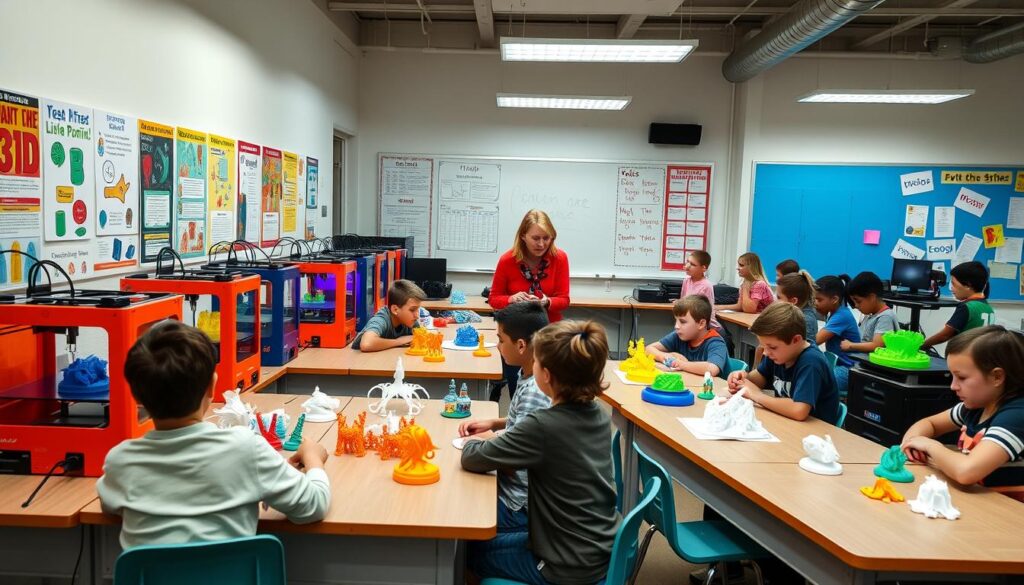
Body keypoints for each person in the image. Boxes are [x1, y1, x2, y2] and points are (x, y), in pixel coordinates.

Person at [97, 321, 330, 549]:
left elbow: (109, 505)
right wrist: (313, 459)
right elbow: (314, 506)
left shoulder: (121, 461)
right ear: (212, 386)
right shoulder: (245, 448)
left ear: (136, 397)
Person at [462, 320, 619, 585]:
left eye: (536, 361)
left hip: (563, 563)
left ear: (546, 375)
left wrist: (471, 443)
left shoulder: (543, 426)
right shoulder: (598, 415)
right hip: (597, 548)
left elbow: (473, 458)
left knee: (464, 551)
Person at [901, 325, 1024, 502]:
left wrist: (930, 446)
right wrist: (912, 443)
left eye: (962, 378)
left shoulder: (1016, 415)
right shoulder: (975, 407)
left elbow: (966, 472)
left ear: (997, 377)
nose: (953, 386)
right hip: (979, 505)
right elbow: (930, 424)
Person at [457, 302, 550, 532]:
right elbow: (527, 423)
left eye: (500, 340)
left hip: (518, 504)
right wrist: (496, 423)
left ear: (520, 345)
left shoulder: (534, 391)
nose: (497, 346)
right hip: (519, 489)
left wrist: (489, 441)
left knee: (459, 505)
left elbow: (510, 463)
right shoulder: (529, 371)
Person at [487, 209, 570, 402]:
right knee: (520, 391)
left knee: (550, 393)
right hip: (516, 336)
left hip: (550, 335)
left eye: (546, 238)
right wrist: (511, 299)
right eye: (536, 238)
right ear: (523, 235)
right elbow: (494, 299)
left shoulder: (560, 258)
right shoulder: (508, 260)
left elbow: (564, 300)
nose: (541, 244)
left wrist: (546, 302)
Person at [728, 302, 840, 425]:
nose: (765, 353)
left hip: (816, 434)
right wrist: (741, 377)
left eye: (772, 347)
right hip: (787, 423)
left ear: (796, 340)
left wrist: (757, 396)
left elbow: (799, 410)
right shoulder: (780, 355)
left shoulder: (811, 362)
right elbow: (756, 379)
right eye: (764, 346)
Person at [646, 295, 728, 377]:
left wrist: (681, 364)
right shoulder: (678, 335)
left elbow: (712, 369)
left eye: (682, 322)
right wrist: (666, 356)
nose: (676, 326)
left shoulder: (715, 343)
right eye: (676, 320)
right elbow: (648, 349)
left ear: (701, 324)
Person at [922, 261, 995, 351]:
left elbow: (945, 335)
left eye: (953, 284)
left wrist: (923, 345)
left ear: (968, 285)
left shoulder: (966, 307)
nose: (951, 288)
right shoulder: (987, 307)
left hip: (964, 356)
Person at [753, 270, 819, 367]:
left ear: (793, 301)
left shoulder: (804, 321)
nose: (775, 301)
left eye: (779, 298)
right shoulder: (794, 316)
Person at [814, 274, 860, 397]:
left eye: (819, 300)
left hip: (847, 370)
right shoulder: (834, 313)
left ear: (834, 299)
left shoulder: (841, 316)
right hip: (837, 364)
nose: (815, 303)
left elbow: (815, 341)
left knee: (811, 382)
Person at [351, 279, 425, 351]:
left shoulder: (410, 321)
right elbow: (367, 344)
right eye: (412, 310)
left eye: (418, 309)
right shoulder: (381, 319)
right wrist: (398, 341)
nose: (417, 315)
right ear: (395, 309)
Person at [841, 271, 900, 354]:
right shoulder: (870, 315)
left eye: (858, 301)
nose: (856, 305)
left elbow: (878, 345)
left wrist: (851, 345)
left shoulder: (885, 317)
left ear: (872, 297)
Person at [682, 250, 720, 330]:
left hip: (705, 326)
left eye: (692, 264)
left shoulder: (706, 285)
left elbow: (704, 312)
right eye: (687, 262)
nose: (687, 266)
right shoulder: (686, 280)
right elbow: (683, 302)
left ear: (703, 268)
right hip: (690, 321)